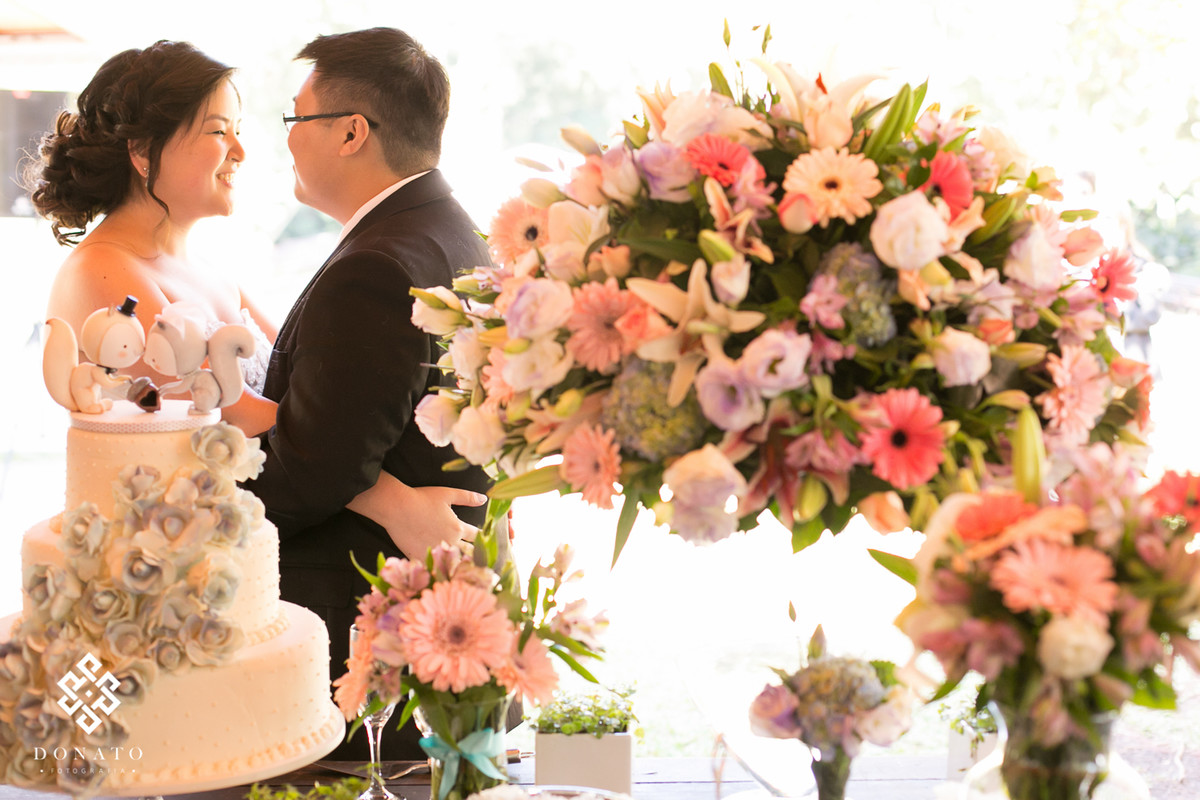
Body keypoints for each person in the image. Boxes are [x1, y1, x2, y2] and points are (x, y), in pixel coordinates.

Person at [241, 28, 494, 759]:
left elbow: (315, 470)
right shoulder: (450, 233)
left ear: (351, 132)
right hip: (426, 608)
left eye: (296, 118)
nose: (287, 140)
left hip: (357, 633)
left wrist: (200, 474)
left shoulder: (377, 266)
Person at [29, 41, 276, 392]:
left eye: (238, 130)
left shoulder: (211, 271)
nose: (240, 152)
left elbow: (296, 372)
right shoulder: (100, 270)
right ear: (144, 150)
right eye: (219, 131)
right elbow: (233, 412)